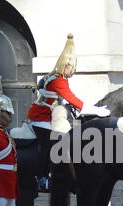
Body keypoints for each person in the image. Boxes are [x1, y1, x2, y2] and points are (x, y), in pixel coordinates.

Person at [27, 34, 110, 192]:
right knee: (49, 144)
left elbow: (60, 99)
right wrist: (98, 111)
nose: (74, 71)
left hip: (48, 115)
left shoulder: (53, 76)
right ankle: (42, 178)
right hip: (41, 118)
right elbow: (75, 100)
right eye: (72, 68)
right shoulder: (59, 80)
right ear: (65, 67)